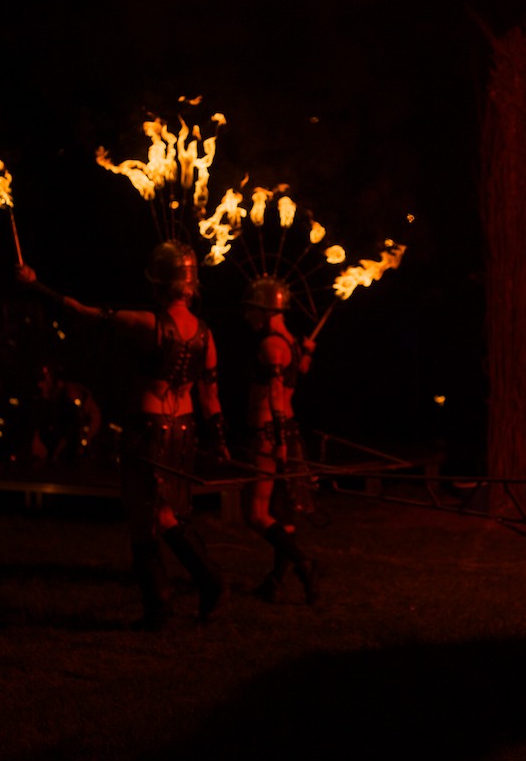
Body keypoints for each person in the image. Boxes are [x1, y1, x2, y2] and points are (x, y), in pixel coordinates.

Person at [18, 240, 229, 629]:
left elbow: (82, 313)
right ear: (191, 285)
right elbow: (210, 396)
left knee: (143, 517)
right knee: (166, 514)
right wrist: (219, 442)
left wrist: (35, 286)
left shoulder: (146, 324)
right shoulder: (206, 334)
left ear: (158, 283)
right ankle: (193, 588)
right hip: (183, 431)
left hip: (149, 429)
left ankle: (168, 602)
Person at [241, 275, 321, 605]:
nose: (247, 315)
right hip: (287, 429)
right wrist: (307, 354)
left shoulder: (270, 345)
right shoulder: (290, 342)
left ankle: (303, 563)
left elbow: (275, 396)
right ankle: (276, 582)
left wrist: (279, 444)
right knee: (283, 513)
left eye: (251, 308)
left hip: (269, 432)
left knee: (256, 513)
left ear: (265, 310)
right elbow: (296, 376)